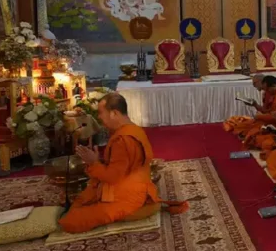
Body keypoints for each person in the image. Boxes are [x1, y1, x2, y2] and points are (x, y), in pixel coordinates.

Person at [61, 94, 187, 233]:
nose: (99, 117)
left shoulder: (123, 139)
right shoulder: (134, 130)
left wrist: (94, 162)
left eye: (101, 113)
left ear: (114, 113)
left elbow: (112, 177)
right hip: (133, 188)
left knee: (70, 222)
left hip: (126, 196)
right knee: (81, 201)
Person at [232, 76, 276, 148]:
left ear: (273, 86)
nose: (266, 92)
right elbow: (268, 111)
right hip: (272, 123)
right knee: (245, 128)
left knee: (259, 139)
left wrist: (259, 116)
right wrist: (255, 105)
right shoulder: (274, 94)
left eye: (267, 89)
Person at [223, 73, 269, 139]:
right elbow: (265, 110)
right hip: (266, 119)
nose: (253, 85)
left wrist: (261, 116)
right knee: (240, 126)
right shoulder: (265, 93)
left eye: (254, 83)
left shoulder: (273, 93)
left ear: (261, 81)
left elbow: (273, 113)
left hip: (272, 122)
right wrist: (255, 104)